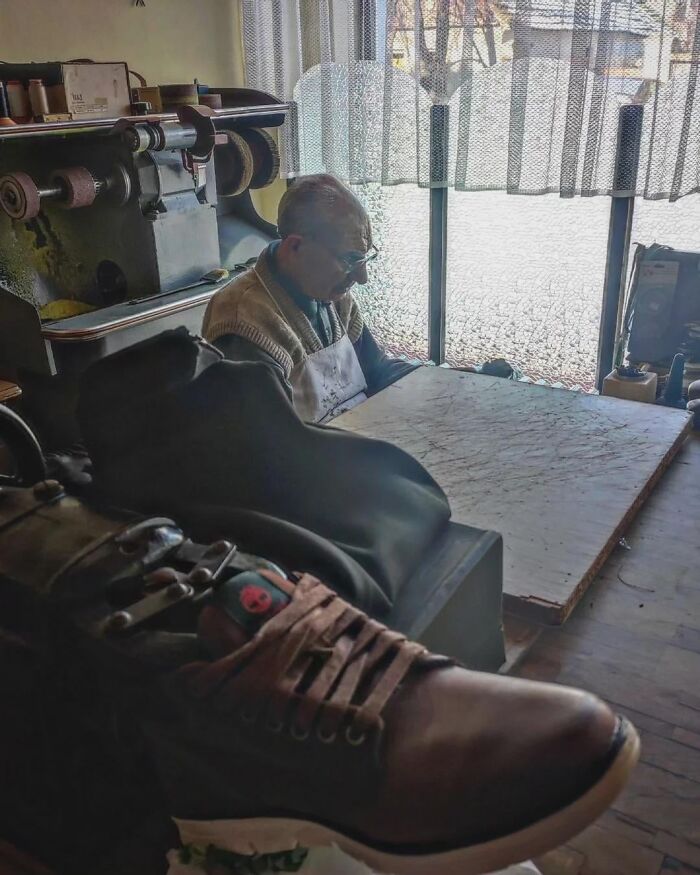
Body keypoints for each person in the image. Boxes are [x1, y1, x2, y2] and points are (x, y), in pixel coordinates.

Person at [202, 174, 418, 423]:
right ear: (295, 247)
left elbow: (378, 371)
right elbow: (272, 442)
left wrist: (456, 379)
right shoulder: (244, 321)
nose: (362, 278)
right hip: (308, 457)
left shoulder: (335, 295)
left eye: (364, 259)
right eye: (350, 260)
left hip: (351, 443)